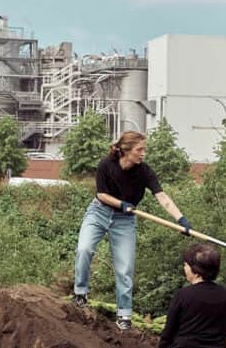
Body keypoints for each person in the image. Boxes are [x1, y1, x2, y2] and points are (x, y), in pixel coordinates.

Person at [72, 131, 192, 331]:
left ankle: (124, 316)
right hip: (99, 212)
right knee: (84, 249)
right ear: (126, 151)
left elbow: (161, 196)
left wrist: (180, 218)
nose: (143, 153)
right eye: (140, 149)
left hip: (124, 221)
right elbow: (101, 194)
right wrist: (121, 203)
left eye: (144, 149)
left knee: (125, 267)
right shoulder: (106, 165)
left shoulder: (144, 171)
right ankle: (80, 293)